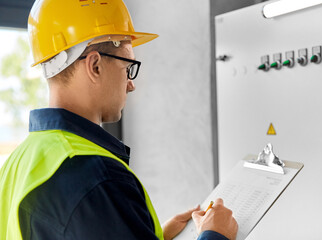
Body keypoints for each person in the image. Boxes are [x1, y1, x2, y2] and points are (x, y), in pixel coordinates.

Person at [0, 0, 238, 239]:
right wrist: (215, 235)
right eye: (128, 67)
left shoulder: (19, 163)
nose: (131, 85)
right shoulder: (97, 177)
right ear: (95, 66)